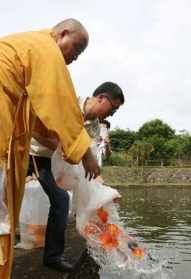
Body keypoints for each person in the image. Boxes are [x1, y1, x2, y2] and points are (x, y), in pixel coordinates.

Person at [0, 18, 100, 279]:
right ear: (62, 34)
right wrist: (85, 154)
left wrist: (67, 145)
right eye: (75, 50)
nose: (75, 58)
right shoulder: (46, 49)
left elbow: (40, 116)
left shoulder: (28, 49)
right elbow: (59, 107)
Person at [27, 81, 124, 272]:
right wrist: (65, 146)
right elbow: (38, 130)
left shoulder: (95, 128)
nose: (111, 115)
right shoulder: (68, 103)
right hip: (33, 153)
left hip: (55, 162)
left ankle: (52, 256)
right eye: (112, 109)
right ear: (101, 97)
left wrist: (103, 191)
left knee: (62, 200)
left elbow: (88, 161)